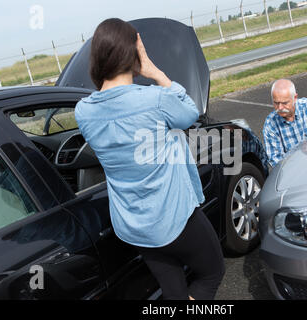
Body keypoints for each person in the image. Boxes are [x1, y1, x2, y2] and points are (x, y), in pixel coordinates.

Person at [74, 18, 224, 300]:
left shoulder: (83, 111)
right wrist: (154, 71)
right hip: (175, 217)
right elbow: (190, 112)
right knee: (211, 273)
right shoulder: (154, 99)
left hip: (134, 225)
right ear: (133, 53)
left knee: (173, 291)